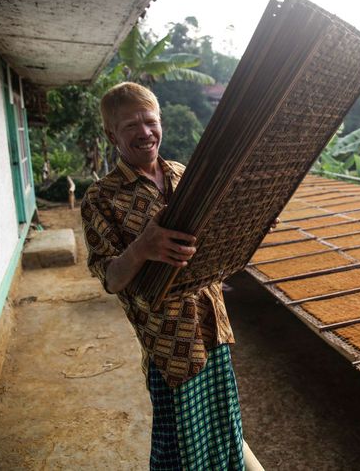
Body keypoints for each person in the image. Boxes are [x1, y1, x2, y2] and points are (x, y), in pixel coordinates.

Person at [80, 82, 244, 470]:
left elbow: (212, 239)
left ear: (161, 124)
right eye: (130, 125)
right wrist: (142, 247)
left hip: (213, 329)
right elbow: (110, 279)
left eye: (149, 121)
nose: (144, 132)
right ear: (111, 135)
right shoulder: (101, 198)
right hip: (169, 347)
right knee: (178, 453)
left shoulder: (184, 175)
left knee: (224, 434)